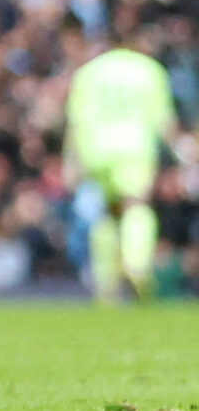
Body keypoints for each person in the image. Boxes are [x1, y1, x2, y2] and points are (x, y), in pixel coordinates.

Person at [64, 35, 178, 303]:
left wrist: (71, 160)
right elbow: (164, 120)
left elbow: (77, 122)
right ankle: (136, 264)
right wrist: (179, 151)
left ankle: (106, 283)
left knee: (106, 211)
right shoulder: (149, 69)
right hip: (135, 146)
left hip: (95, 149)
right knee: (135, 204)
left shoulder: (89, 72)